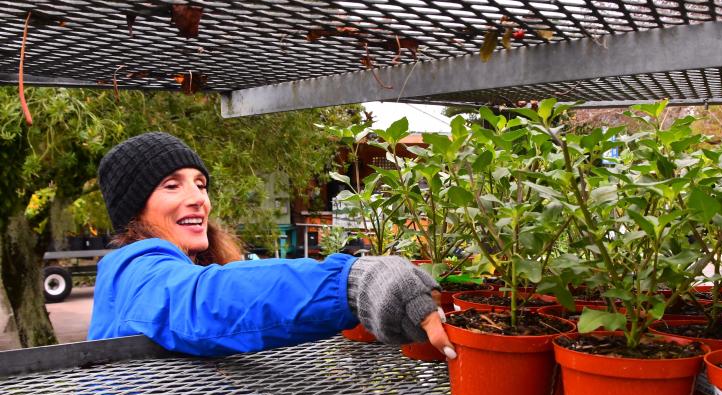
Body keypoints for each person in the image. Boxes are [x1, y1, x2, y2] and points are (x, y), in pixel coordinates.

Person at [88, 131, 455, 358]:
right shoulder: (135, 272)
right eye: (172, 185)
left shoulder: (176, 266)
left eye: (200, 183)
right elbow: (208, 301)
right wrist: (351, 284)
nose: (199, 198)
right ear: (135, 209)